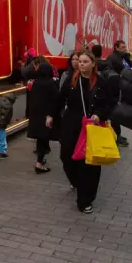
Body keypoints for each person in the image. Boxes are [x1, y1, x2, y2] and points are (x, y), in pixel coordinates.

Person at [47, 51, 114, 213]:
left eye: (85, 61)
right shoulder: (72, 79)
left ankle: (85, 200)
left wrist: (100, 114)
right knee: (66, 155)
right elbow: (60, 98)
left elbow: (109, 103)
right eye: (79, 61)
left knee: (89, 164)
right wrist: (51, 115)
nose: (81, 64)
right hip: (71, 123)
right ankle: (76, 181)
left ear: (92, 63)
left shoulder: (101, 81)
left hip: (92, 125)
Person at [27, 61, 58, 173]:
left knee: (41, 139)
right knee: (43, 140)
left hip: (36, 115)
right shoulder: (49, 83)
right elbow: (56, 98)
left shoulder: (35, 82)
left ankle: (41, 160)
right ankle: (39, 164)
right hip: (46, 116)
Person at [95, 44, 126, 147]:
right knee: (113, 116)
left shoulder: (96, 65)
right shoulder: (110, 61)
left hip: (100, 95)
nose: (124, 49)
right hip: (112, 93)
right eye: (123, 47)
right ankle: (116, 136)